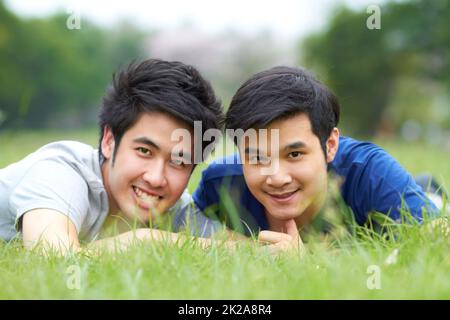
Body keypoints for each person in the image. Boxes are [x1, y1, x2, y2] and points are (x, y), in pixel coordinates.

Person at [192, 66, 444, 251]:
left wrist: (310, 264)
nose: (277, 178)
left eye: (294, 154)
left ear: (330, 144)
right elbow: (172, 233)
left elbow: (437, 246)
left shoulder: (371, 172)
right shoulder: (221, 184)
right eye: (257, 158)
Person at [0, 58, 225, 254]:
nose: (156, 179)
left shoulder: (174, 207)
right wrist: (144, 240)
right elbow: (50, 255)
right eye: (144, 151)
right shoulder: (61, 172)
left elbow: (235, 248)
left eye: (178, 162)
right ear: (109, 141)